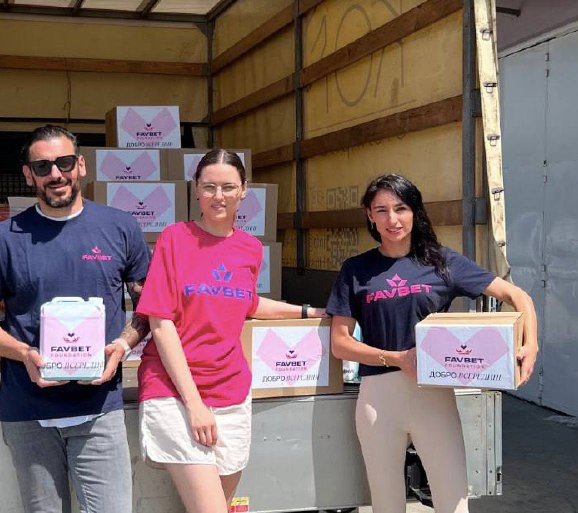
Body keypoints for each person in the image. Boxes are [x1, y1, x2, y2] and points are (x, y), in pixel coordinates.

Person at [0, 125, 151, 513]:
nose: (55, 174)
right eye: (42, 166)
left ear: (80, 165)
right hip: (28, 412)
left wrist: (122, 345)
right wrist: (24, 353)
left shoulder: (120, 228)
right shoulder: (3, 239)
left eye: (64, 163)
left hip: (99, 409)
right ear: (28, 175)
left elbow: (149, 307)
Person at [326, 173, 538, 513]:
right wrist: (398, 358)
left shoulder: (441, 262)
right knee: (386, 505)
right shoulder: (356, 269)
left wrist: (530, 343)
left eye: (401, 208)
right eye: (381, 210)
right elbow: (340, 343)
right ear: (369, 215)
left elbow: (517, 296)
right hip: (378, 399)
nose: (392, 219)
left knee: (453, 502)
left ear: (415, 211)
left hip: (434, 397)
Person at [135, 149, 327, 513]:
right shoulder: (174, 239)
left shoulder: (250, 248)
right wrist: (194, 404)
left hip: (231, 389)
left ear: (244, 190)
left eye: (228, 187)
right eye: (209, 187)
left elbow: (245, 301)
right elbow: (160, 322)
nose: (218, 196)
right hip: (174, 389)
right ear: (195, 189)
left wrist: (307, 310)